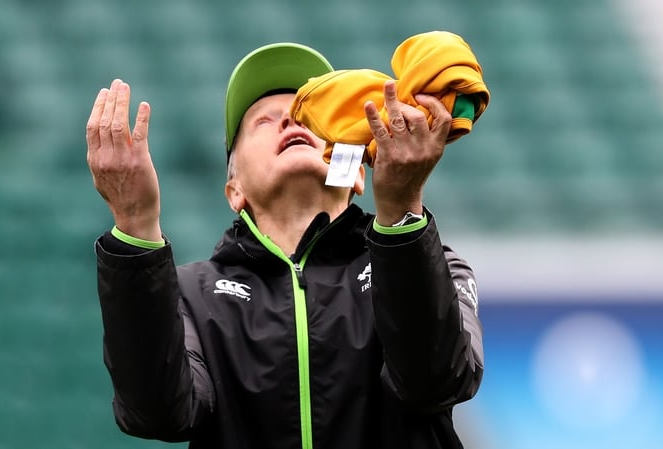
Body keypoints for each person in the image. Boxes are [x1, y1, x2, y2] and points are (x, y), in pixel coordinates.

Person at [85, 41, 484, 449]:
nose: (292, 123)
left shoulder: (435, 264)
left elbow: (435, 383)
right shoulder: (189, 294)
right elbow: (158, 412)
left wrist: (401, 208)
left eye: (311, 117)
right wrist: (135, 222)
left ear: (356, 177)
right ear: (233, 190)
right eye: (264, 121)